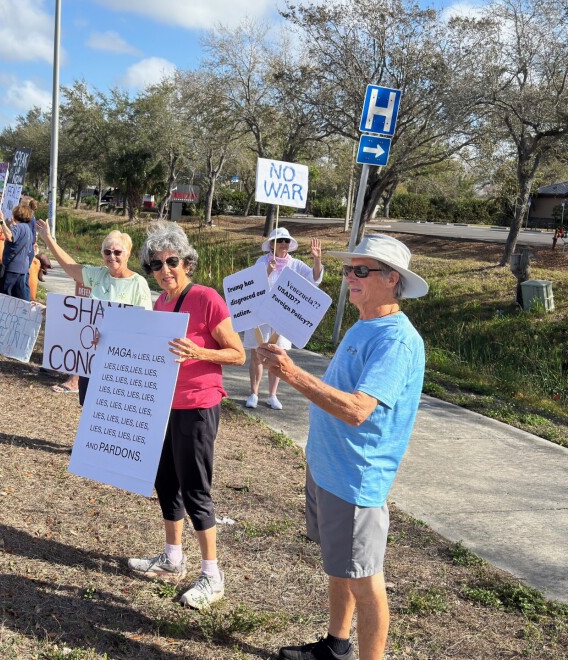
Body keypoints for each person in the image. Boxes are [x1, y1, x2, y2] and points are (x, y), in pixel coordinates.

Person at [256, 234, 428, 660]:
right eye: (348, 269)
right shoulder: (365, 323)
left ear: (392, 279)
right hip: (329, 469)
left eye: (361, 270)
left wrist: (293, 375)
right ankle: (336, 646)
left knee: (365, 579)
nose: (349, 277)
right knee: (341, 567)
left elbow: (357, 410)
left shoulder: (395, 340)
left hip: (356, 478)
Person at [129, 222, 245, 610]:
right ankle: (172, 558)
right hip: (164, 405)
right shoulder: (160, 303)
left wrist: (200, 353)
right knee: (166, 482)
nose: (165, 270)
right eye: (156, 265)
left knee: (195, 488)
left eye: (172, 261)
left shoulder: (207, 298)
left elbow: (237, 353)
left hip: (198, 406)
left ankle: (212, 575)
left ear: (186, 261)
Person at [35, 222, 153, 397]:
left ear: (127, 254)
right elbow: (69, 267)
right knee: (88, 403)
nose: (112, 256)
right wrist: (49, 239)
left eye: (117, 252)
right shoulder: (98, 274)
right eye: (107, 252)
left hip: (118, 360)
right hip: (90, 356)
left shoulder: (138, 283)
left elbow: (145, 324)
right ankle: (76, 380)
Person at [244, 227, 323, 411]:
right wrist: (268, 272)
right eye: (280, 240)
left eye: (287, 241)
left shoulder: (295, 264)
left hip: (282, 315)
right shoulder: (261, 261)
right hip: (260, 313)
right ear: (272, 244)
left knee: (276, 354)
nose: (284, 244)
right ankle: (254, 393)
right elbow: (254, 286)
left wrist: (317, 259)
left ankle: (272, 395)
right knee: (257, 353)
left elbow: (315, 278)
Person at [0, 198, 38, 301]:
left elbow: (10, 237)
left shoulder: (18, 228)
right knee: (20, 298)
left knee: (5, 297)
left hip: (11, 268)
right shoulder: (27, 229)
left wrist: (1, 221)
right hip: (22, 269)